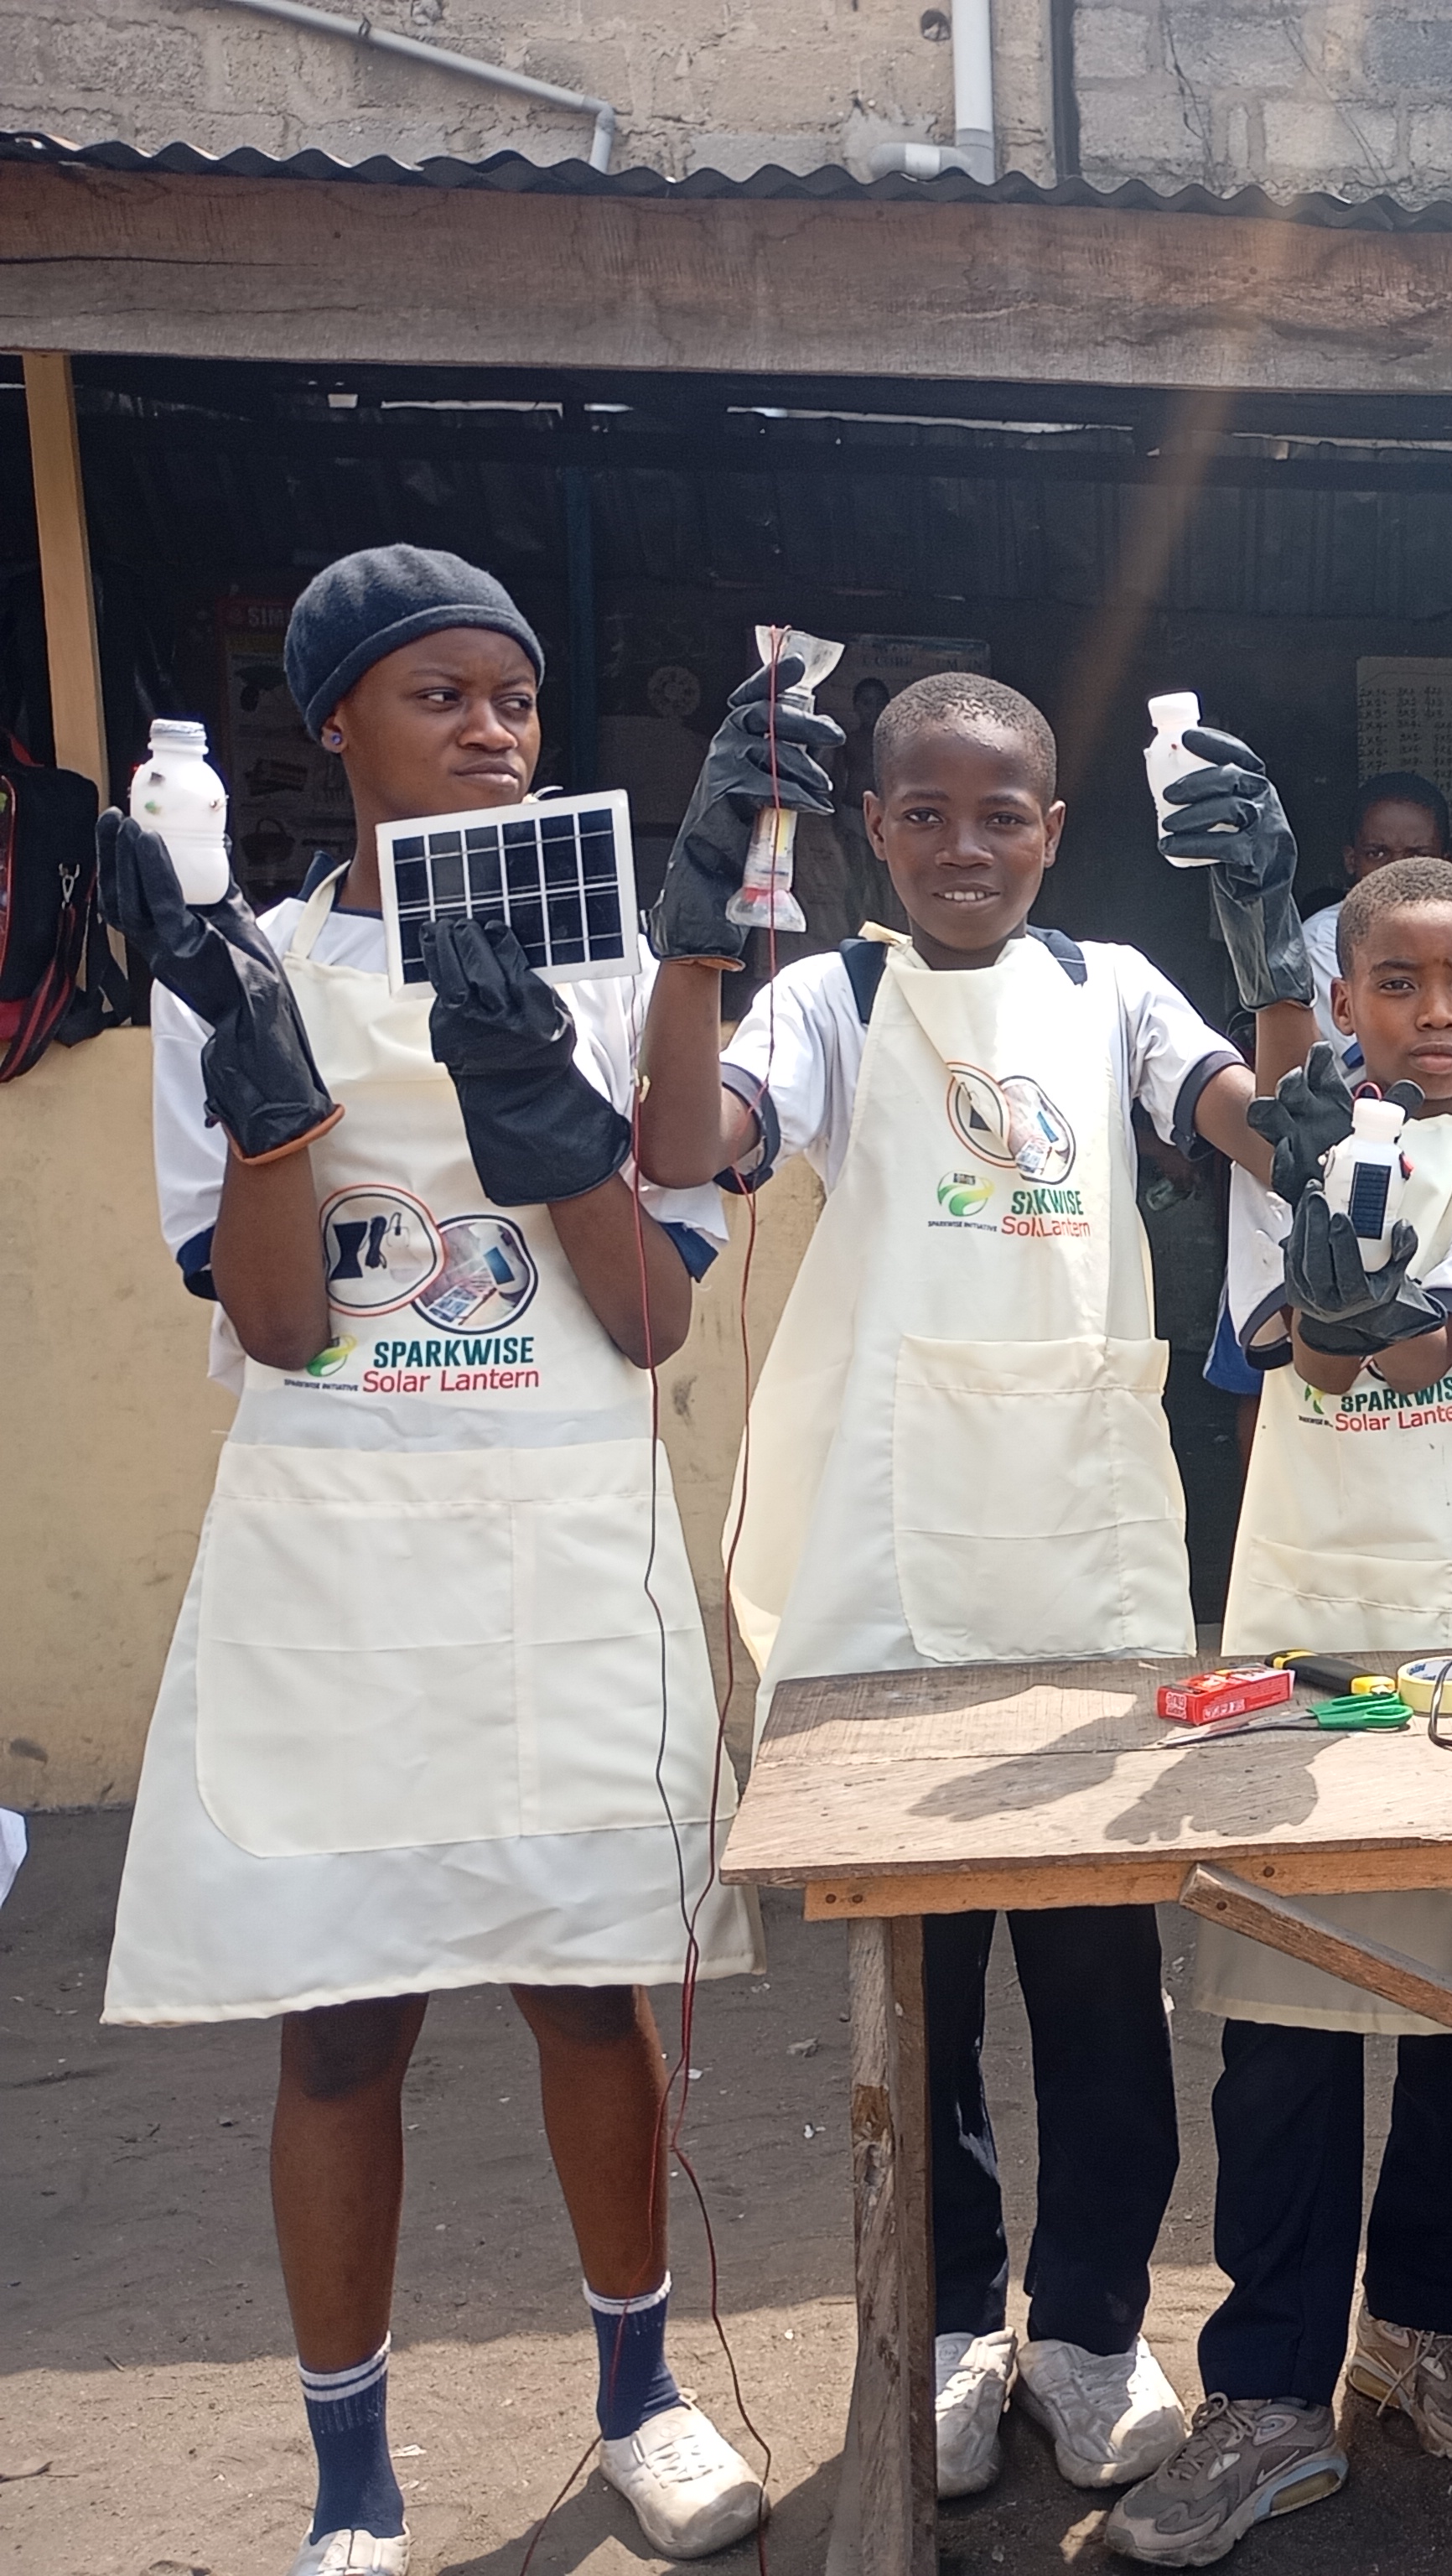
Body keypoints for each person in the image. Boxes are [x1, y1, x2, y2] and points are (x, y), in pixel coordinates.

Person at [101, 544, 775, 2573]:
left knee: (586, 1996)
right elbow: (288, 1323)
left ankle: (641, 2394)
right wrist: (275, 1100)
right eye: (439, 696)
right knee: (342, 2022)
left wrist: (547, 1107)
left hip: (559, 1542)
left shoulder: (596, 961)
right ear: (335, 726)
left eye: (515, 698)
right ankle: (352, 2482)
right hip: (344, 1563)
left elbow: (652, 1315)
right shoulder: (233, 966)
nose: (492, 732)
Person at [640, 673, 1283, 2511]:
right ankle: (939, 2335)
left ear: (1057, 830)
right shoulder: (827, 1000)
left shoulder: (1119, 994)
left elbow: (1281, 1139)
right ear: (871, 831)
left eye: (1003, 814)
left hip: (1076, 1554)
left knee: (1095, 1985)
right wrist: (698, 939)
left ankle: (1086, 2329)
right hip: (891, 1558)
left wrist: (1271, 946)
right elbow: (690, 1149)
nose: (964, 848)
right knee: (914, 2005)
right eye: (922, 814)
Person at [1114, 853, 1452, 2565]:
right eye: (1399, 983)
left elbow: (1437, 1349)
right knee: (1286, 2015)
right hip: (1311, 1609)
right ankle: (1264, 2393)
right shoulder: (1282, 1139)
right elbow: (1296, 1358)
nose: (1436, 1014)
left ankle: (1430, 2334)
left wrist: (1348, 1297)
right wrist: (1319, 1268)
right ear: (1348, 994)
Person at [1294, 772, 1452, 1010]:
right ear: (1351, 860)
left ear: (1445, 863)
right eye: (1377, 854)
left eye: (1418, 856)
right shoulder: (1324, 943)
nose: (1396, 872)